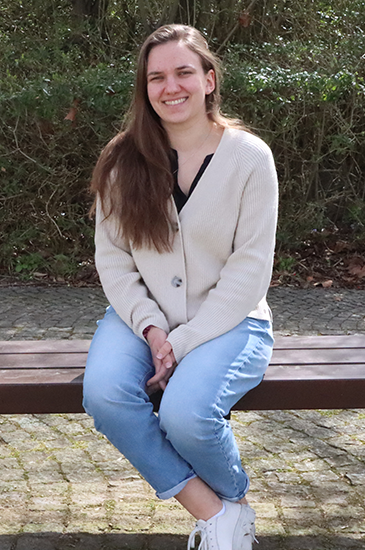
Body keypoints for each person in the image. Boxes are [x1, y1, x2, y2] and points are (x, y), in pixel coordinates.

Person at [82, 24, 278, 550]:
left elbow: (250, 268)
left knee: (186, 415)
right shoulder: (122, 159)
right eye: (157, 77)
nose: (171, 87)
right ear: (145, 88)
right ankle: (220, 511)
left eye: (184, 72)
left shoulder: (250, 158)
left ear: (209, 80)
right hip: (140, 318)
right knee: (104, 393)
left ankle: (229, 505)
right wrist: (152, 329)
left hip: (230, 321)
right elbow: (114, 260)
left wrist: (183, 342)